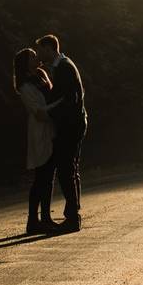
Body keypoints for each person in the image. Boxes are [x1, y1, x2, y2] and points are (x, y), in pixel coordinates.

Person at [36, 34, 87, 232]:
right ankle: (73, 214)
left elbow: (70, 99)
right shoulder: (64, 65)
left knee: (66, 170)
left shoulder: (65, 67)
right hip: (73, 123)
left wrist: (49, 112)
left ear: (49, 48)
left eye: (41, 50)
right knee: (70, 169)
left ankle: (73, 218)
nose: (39, 54)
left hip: (71, 125)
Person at [13, 47, 63, 234]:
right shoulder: (25, 87)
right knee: (41, 177)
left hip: (50, 129)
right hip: (39, 131)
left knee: (49, 177)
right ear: (25, 64)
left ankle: (46, 218)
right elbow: (39, 112)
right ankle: (33, 220)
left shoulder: (42, 76)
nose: (37, 58)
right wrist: (61, 104)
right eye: (33, 57)